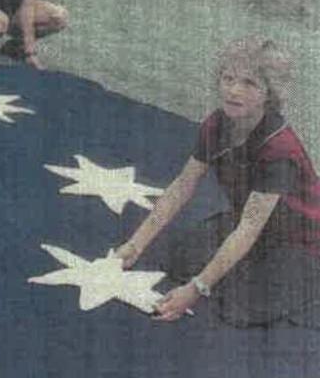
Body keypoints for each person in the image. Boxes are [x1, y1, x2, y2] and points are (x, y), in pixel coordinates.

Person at [116, 36, 320, 326]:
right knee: (180, 260)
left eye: (250, 83)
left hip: (301, 240)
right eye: (228, 78)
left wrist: (197, 288)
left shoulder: (279, 149)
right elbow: (183, 186)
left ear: (268, 94)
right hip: (251, 223)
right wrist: (135, 244)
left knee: (239, 311)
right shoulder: (217, 124)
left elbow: (249, 228)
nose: (234, 90)